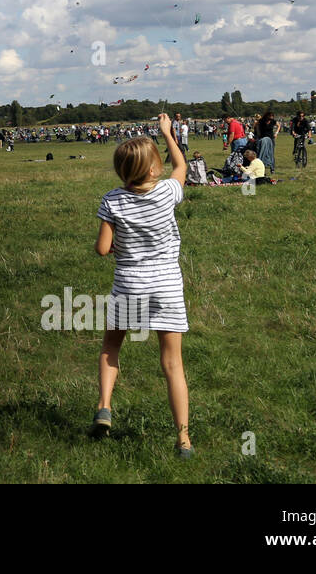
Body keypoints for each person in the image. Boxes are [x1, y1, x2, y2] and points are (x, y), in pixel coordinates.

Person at [92, 113, 192, 458]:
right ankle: (183, 440)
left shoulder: (112, 200)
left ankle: (104, 407)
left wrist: (119, 243)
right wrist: (167, 133)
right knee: (172, 364)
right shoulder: (167, 192)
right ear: (152, 170)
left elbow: (103, 248)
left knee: (110, 347)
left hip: (129, 285)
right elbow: (181, 165)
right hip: (166, 287)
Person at [253, 109, 278, 174]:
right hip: (262, 139)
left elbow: (279, 125)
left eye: (272, 116)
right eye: (270, 116)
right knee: (262, 153)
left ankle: (272, 168)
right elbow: (256, 125)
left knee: (271, 153)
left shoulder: (272, 121)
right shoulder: (261, 121)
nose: (271, 118)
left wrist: (276, 133)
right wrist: (258, 134)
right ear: (267, 116)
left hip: (271, 139)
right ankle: (261, 168)